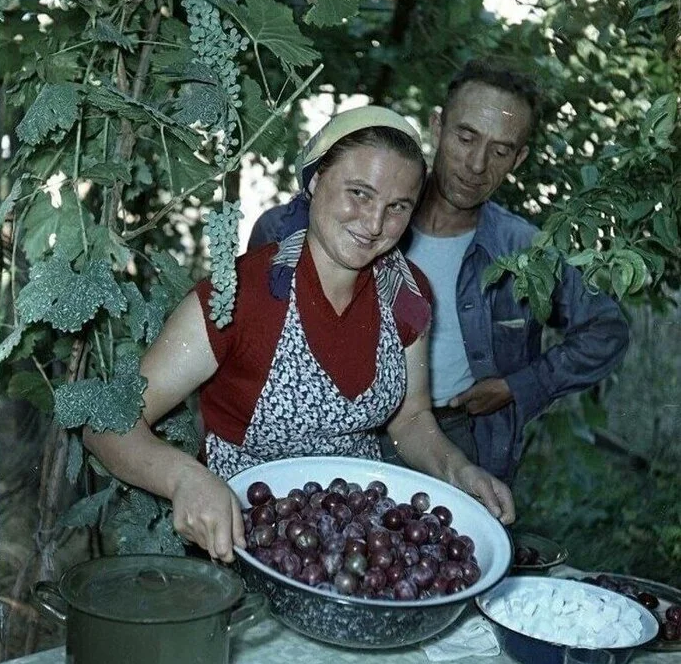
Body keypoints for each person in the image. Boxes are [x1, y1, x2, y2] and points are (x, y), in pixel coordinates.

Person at [83, 105, 515, 564]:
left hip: (358, 546)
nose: (374, 224)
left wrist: (459, 470)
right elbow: (106, 425)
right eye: (359, 193)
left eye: (397, 207)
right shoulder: (239, 297)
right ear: (314, 180)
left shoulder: (406, 296)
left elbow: (409, 419)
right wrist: (183, 477)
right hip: (244, 542)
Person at [248, 62, 630, 484]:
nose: (477, 164)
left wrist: (517, 385)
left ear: (519, 158)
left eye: (500, 150)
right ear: (437, 127)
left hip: (454, 437)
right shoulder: (366, 220)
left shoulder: (523, 249)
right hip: (338, 433)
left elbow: (606, 329)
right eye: (465, 138)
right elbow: (272, 241)